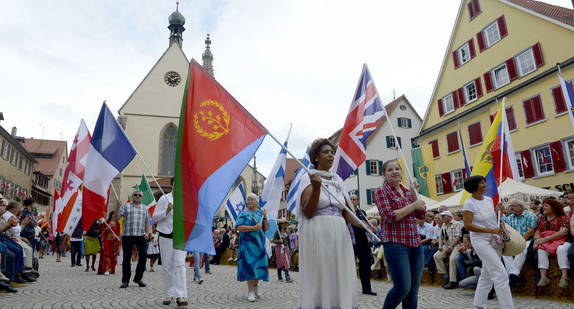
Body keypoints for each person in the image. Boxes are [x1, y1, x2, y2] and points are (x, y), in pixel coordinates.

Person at [297, 138, 361, 309]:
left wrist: (362, 223)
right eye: (326, 152)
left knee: (341, 272)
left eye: (332, 152)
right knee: (321, 273)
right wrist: (316, 188)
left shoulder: (338, 181)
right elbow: (308, 213)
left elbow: (347, 212)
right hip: (318, 230)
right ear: (316, 157)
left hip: (340, 232)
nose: (331, 155)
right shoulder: (308, 178)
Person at [374, 159, 426, 309]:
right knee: (402, 287)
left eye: (397, 168)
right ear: (384, 174)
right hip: (395, 243)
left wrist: (415, 194)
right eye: (390, 170)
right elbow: (389, 216)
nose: (395, 171)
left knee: (413, 291)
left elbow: (421, 214)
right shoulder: (381, 191)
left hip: (415, 244)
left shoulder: (409, 192)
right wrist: (412, 205)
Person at [462, 175, 513, 309]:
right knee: (500, 274)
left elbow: (494, 220)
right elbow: (467, 225)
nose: (485, 185)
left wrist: (498, 212)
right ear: (474, 187)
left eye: (484, 182)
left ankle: (479, 304)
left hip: (494, 239)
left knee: (487, 274)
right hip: (480, 240)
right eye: (481, 183)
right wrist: (490, 229)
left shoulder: (489, 200)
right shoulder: (469, 203)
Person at [152, 178, 188, 306]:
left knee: (180, 265)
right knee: (168, 266)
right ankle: (169, 294)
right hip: (166, 235)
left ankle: (181, 295)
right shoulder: (164, 199)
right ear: (171, 185)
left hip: (180, 236)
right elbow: (155, 217)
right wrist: (166, 211)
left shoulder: (186, 199)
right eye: (175, 183)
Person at [236, 193, 269, 302]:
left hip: (260, 243)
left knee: (260, 265)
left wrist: (265, 217)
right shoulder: (243, 213)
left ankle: (255, 286)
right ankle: (250, 292)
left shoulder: (260, 212)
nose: (250, 201)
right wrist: (254, 227)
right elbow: (239, 228)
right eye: (248, 200)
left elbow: (266, 228)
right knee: (250, 267)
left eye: (252, 200)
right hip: (247, 245)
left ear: (256, 202)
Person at [114, 190, 151, 289]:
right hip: (127, 235)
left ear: (141, 197)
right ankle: (125, 280)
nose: (137, 196)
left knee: (143, 255)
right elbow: (116, 218)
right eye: (135, 195)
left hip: (140, 235)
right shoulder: (125, 206)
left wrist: (147, 233)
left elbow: (147, 222)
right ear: (132, 196)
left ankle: (138, 278)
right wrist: (118, 207)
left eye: (139, 195)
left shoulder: (145, 208)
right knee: (127, 258)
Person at [533, 198, 571, 288]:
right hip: (547, 243)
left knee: (561, 249)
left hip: (563, 240)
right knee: (541, 250)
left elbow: (564, 232)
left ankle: (564, 277)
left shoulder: (563, 217)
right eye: (543, 206)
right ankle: (544, 277)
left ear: (553, 207)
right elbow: (537, 232)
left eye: (546, 206)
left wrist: (545, 239)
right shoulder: (541, 218)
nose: (543, 207)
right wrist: (537, 241)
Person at [503, 198, 537, 287]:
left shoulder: (530, 216)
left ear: (520, 206)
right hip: (513, 240)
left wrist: (519, 242)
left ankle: (513, 273)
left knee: (522, 248)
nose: (510, 208)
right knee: (504, 251)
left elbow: (530, 232)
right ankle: (512, 275)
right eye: (510, 206)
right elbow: (508, 232)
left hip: (528, 240)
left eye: (512, 206)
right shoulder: (509, 218)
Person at [350, 194, 376, 296]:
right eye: (350, 199)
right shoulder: (346, 212)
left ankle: (366, 288)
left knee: (365, 265)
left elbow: (368, 226)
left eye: (354, 199)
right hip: (351, 242)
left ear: (358, 201)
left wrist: (371, 228)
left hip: (363, 241)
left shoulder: (362, 212)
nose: (352, 201)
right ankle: (349, 289)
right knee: (350, 266)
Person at [433, 210, 462, 289]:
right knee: (436, 256)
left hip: (456, 245)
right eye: (441, 216)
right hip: (447, 245)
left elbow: (458, 237)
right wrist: (440, 245)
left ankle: (453, 281)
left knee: (452, 259)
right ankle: (445, 275)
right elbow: (441, 237)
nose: (442, 218)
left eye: (443, 216)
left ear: (449, 217)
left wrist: (450, 247)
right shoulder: (444, 226)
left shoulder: (457, 224)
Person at [97, 211, 121, 275]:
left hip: (113, 242)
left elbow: (118, 232)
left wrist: (117, 238)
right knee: (106, 255)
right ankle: (106, 269)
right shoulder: (106, 222)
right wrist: (106, 229)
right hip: (106, 241)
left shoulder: (117, 223)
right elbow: (101, 230)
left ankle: (112, 269)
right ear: (111, 215)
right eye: (114, 214)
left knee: (113, 255)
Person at [273, 217, 293, 283]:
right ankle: (279, 276)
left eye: (285, 224)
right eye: (283, 224)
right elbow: (273, 241)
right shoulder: (277, 232)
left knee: (286, 262)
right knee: (280, 262)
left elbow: (289, 242)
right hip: (279, 249)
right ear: (280, 224)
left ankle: (287, 276)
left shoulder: (287, 233)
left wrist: (290, 249)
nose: (284, 225)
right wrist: (279, 241)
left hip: (285, 248)